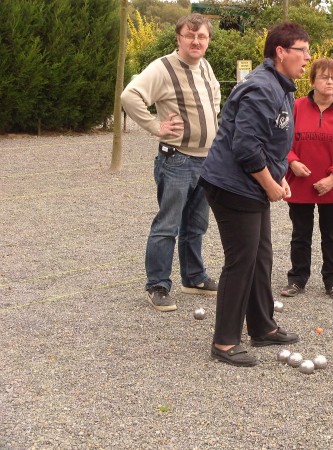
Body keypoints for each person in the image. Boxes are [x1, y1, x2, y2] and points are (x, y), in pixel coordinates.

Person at [199, 22, 311, 366]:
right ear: (281, 52)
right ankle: (224, 342)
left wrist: (280, 176)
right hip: (233, 186)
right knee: (241, 260)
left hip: (252, 184)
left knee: (261, 256)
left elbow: (269, 142)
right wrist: (270, 184)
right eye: (302, 51)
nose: (307, 58)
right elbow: (246, 148)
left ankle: (262, 326)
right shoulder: (262, 88)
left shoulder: (282, 87)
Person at [121, 14, 220, 312]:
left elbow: (215, 98)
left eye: (201, 36)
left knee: (197, 225)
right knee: (167, 225)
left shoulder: (205, 66)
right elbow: (130, 95)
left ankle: (193, 277)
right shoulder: (162, 68)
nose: (196, 41)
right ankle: (158, 285)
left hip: (206, 161)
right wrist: (155, 126)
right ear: (178, 38)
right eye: (190, 36)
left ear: (207, 40)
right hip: (176, 159)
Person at [279, 57, 333, 301]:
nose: (330, 82)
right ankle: (297, 278)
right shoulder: (295, 107)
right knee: (300, 234)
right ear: (312, 80)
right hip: (300, 184)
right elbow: (282, 139)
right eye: (324, 77)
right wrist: (292, 161)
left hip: (332, 188)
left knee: (332, 235)